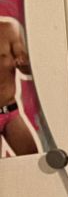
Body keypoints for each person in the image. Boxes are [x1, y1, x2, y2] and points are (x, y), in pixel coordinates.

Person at [0, 18, 39, 156]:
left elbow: (27, 69)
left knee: (33, 161)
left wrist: (24, 63)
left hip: (11, 112)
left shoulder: (9, 29)